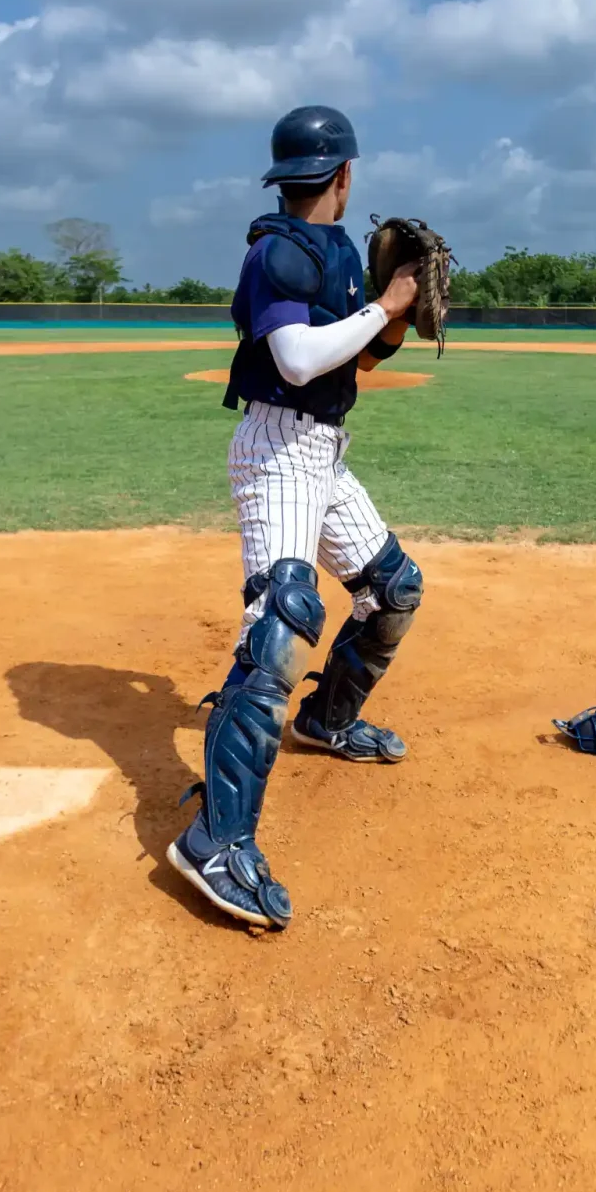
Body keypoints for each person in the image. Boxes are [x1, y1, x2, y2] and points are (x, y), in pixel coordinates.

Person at [168, 104, 426, 931]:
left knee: (394, 588)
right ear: (345, 176)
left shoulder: (339, 253)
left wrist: (392, 320)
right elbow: (298, 356)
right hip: (277, 451)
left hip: (323, 453)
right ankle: (215, 840)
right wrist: (385, 305)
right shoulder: (276, 250)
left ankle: (326, 721)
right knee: (281, 621)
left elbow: (354, 354)